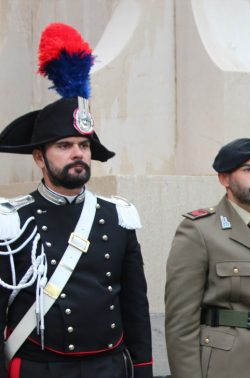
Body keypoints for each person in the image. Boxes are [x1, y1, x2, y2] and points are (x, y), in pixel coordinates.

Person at [0, 23, 152, 377]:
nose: (78, 154)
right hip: (40, 368)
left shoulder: (118, 216)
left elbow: (135, 307)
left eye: (83, 145)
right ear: (39, 158)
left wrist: (142, 368)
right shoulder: (11, 222)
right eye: (64, 146)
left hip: (108, 367)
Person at [164, 138, 250, 378]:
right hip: (226, 365)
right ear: (224, 179)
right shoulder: (199, 230)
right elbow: (181, 323)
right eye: (248, 169)